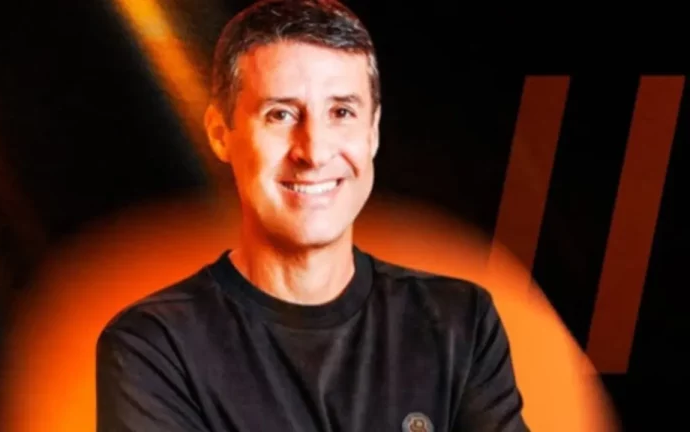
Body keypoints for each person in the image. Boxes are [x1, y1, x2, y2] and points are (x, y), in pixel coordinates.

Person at [96, 0, 529, 430]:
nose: (315, 152)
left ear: (373, 132)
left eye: (341, 113)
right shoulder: (153, 347)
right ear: (220, 133)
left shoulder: (460, 321)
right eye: (281, 114)